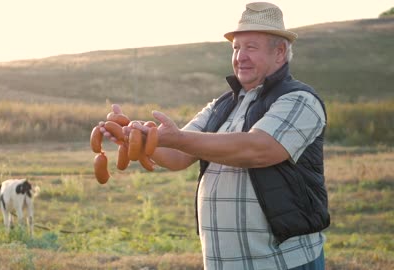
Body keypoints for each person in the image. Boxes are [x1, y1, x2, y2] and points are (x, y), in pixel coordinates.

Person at [101, 2, 330, 269]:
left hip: (282, 263)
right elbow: (177, 155)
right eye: (236, 48)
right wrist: (138, 141)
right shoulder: (221, 106)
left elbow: (257, 149)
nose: (239, 56)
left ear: (279, 53)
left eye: (250, 47)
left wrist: (174, 138)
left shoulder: (299, 100)